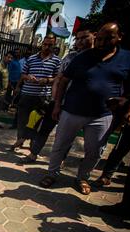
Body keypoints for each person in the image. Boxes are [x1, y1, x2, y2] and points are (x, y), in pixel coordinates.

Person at [39, 22, 130, 195]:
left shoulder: (128, 58)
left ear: (119, 37)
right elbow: (64, 81)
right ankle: (52, 173)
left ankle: (82, 177)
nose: (102, 42)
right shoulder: (82, 57)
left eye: (108, 38)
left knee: (95, 150)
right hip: (72, 111)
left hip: (102, 115)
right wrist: (58, 105)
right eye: (99, 39)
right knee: (59, 145)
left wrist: (126, 105)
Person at [19, 23, 96, 164]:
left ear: (94, 36)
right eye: (77, 39)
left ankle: (60, 160)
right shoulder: (69, 57)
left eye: (84, 37)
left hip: (80, 106)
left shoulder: (98, 58)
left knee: (68, 136)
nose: (79, 41)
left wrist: (47, 80)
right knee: (44, 129)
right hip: (58, 101)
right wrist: (55, 101)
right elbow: (59, 79)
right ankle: (33, 154)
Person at [10, 34, 61, 151]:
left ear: (54, 46)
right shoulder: (31, 58)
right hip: (27, 94)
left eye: (50, 45)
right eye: (45, 44)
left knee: (37, 123)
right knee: (22, 120)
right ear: (42, 44)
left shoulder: (57, 61)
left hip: (43, 97)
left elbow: (58, 78)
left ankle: (33, 146)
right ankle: (20, 142)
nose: (47, 47)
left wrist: (47, 80)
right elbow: (22, 75)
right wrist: (28, 77)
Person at [0, 51, 14, 128]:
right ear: (4, 57)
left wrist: (9, 86)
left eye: (11, 58)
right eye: (8, 57)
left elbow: (5, 78)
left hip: (4, 92)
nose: (10, 59)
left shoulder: (6, 66)